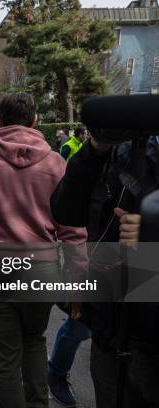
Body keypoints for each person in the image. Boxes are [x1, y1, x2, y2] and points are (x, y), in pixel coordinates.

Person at [0, 93, 87, 408]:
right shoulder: (56, 163)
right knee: (35, 341)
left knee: (5, 356)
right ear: (36, 120)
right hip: (41, 266)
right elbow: (74, 230)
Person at [51, 131, 159, 407]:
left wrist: (151, 231)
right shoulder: (124, 151)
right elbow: (68, 212)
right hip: (110, 321)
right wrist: (95, 149)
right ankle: (57, 373)